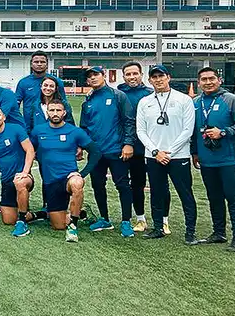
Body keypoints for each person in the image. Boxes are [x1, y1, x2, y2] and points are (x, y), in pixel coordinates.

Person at [192, 67, 235, 252]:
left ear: (219, 80)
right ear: (199, 83)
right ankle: (218, 232)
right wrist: (195, 152)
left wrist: (225, 132)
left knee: (233, 198)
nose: (208, 82)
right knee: (214, 197)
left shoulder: (231, 100)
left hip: (230, 159)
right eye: (204, 79)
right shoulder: (196, 102)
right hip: (207, 160)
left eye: (211, 78)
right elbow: (194, 132)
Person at [134, 65, 197, 243]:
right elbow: (141, 131)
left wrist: (170, 151)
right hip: (154, 156)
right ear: (150, 80)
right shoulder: (145, 102)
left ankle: (190, 231)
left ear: (168, 77)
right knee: (157, 192)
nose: (158, 80)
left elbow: (188, 130)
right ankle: (158, 227)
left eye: (161, 76)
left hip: (178, 156)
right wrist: (156, 151)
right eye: (154, 77)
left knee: (185, 193)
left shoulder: (184, 100)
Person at [79, 66, 137, 237]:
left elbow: (128, 121)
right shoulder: (87, 101)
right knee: (98, 185)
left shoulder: (118, 95)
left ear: (103, 76)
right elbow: (84, 128)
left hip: (116, 150)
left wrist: (128, 143)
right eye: (90, 77)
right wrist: (82, 147)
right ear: (87, 81)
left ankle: (126, 221)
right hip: (96, 153)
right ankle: (104, 219)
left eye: (96, 75)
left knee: (122, 185)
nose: (93, 78)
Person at [31, 100, 100, 242]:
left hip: (68, 178)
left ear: (64, 112)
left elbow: (96, 152)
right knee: (58, 226)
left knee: (77, 183)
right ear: (47, 112)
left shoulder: (75, 132)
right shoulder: (38, 131)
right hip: (50, 181)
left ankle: (73, 226)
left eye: (58, 110)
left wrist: (82, 173)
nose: (55, 113)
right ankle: (80, 212)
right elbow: (29, 150)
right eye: (52, 110)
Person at [0, 107, 35, 237]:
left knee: (19, 182)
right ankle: (36, 214)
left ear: (4, 117)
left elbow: (30, 150)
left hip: (23, 177)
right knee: (8, 220)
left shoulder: (16, 129)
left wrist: (25, 172)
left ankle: (22, 223)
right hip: (6, 180)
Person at [119, 61, 154, 232]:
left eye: (135, 74)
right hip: (125, 146)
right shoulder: (118, 93)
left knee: (151, 183)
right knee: (130, 185)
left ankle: (162, 219)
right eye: (128, 74)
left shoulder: (150, 94)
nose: (132, 77)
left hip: (146, 147)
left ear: (141, 75)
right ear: (123, 76)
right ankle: (139, 218)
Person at [16, 51, 65, 124]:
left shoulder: (56, 81)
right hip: (29, 125)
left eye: (42, 62)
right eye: (36, 62)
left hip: (53, 124)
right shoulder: (23, 82)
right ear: (31, 64)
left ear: (47, 64)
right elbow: (16, 105)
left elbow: (63, 103)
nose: (39, 64)